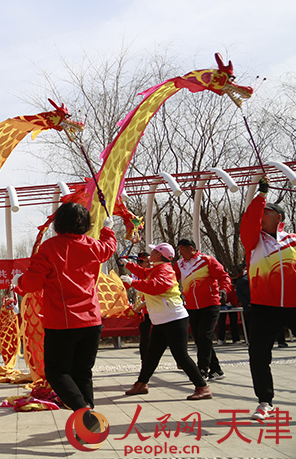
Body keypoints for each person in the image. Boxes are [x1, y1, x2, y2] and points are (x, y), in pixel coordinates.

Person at [13, 202, 116, 432]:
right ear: (87, 224)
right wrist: (109, 229)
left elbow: (32, 283)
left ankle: (84, 413)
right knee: (83, 372)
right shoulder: (93, 246)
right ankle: (87, 423)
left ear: (59, 222)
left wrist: (18, 282)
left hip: (63, 322)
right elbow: (109, 247)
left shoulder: (50, 248)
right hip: (91, 320)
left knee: (57, 372)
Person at [121, 243, 212, 400]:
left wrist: (132, 282)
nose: (152, 253)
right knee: (152, 355)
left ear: (159, 255)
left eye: (154, 251)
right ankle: (141, 384)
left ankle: (202, 387)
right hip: (162, 319)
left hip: (174, 319)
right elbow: (143, 273)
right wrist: (127, 264)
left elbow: (157, 286)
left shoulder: (165, 270)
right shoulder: (157, 268)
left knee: (181, 356)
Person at [239, 178, 296, 421]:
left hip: (294, 306)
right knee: (259, 356)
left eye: (267, 213)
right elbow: (250, 220)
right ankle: (265, 402)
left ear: (279, 220)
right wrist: (261, 195)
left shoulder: (293, 240)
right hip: (264, 308)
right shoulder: (254, 242)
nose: (262, 216)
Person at [173, 238, 231, 381]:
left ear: (191, 248)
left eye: (181, 249)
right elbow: (170, 279)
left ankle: (202, 370)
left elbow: (223, 276)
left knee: (204, 337)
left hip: (210, 305)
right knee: (200, 339)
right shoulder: (179, 264)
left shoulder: (206, 260)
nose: (179, 253)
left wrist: (224, 290)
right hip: (192, 306)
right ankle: (216, 370)